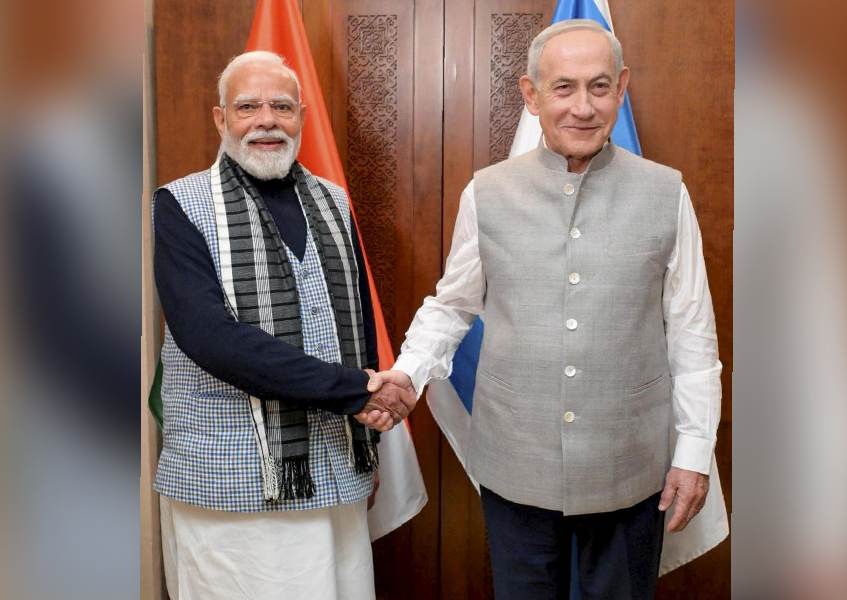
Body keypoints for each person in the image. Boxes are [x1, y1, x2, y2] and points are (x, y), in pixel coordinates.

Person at [365, 20, 723, 599]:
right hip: (515, 461)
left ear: (621, 88)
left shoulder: (666, 192)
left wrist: (694, 454)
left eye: (599, 87)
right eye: (563, 88)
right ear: (531, 95)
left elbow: (692, 333)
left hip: (630, 463)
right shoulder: (487, 192)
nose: (583, 107)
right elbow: (452, 306)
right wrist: (408, 373)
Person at [152, 50, 413, 600]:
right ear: (221, 118)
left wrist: (367, 431)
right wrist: (356, 389)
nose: (266, 120)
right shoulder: (180, 204)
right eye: (247, 107)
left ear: (301, 117)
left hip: (336, 466)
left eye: (282, 107)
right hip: (231, 479)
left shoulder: (333, 200)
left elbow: (356, 323)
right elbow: (211, 340)